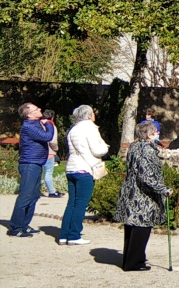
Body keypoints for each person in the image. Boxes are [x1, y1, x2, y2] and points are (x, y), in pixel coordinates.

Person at [114, 120, 171, 271]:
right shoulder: (147, 150)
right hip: (142, 195)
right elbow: (147, 176)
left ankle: (130, 259)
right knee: (141, 228)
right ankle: (134, 262)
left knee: (132, 227)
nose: (157, 134)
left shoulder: (134, 147)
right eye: (155, 132)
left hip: (131, 191)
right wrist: (163, 189)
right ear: (149, 135)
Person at [60, 104, 110, 246]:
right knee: (81, 204)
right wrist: (105, 147)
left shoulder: (73, 129)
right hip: (85, 168)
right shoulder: (90, 128)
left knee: (72, 203)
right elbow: (97, 150)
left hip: (71, 168)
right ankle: (75, 235)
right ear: (89, 115)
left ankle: (64, 234)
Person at [7, 103, 56, 238]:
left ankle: (24, 225)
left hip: (36, 164)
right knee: (25, 196)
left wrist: (45, 123)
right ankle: (15, 228)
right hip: (29, 164)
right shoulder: (28, 126)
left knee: (34, 196)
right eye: (36, 109)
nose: (40, 109)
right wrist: (49, 124)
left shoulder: (36, 123)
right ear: (29, 114)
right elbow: (47, 137)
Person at [40, 109, 62, 198]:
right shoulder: (51, 126)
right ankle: (52, 192)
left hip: (38, 153)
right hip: (49, 152)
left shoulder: (37, 125)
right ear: (52, 117)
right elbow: (52, 141)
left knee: (38, 173)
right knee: (48, 172)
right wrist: (56, 149)